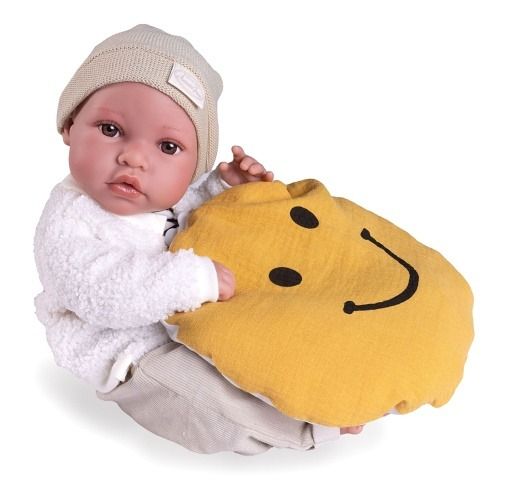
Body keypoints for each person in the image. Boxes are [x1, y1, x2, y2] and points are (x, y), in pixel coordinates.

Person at [34, 24, 363, 454]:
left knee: (270, 332)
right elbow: (98, 293)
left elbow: (190, 213)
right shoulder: (69, 220)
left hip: (197, 319)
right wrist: (191, 281)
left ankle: (332, 376)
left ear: (193, 168)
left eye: (168, 147)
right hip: (135, 351)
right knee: (204, 403)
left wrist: (225, 190)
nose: (134, 157)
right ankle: (304, 427)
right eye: (111, 129)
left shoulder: (166, 195)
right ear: (69, 126)